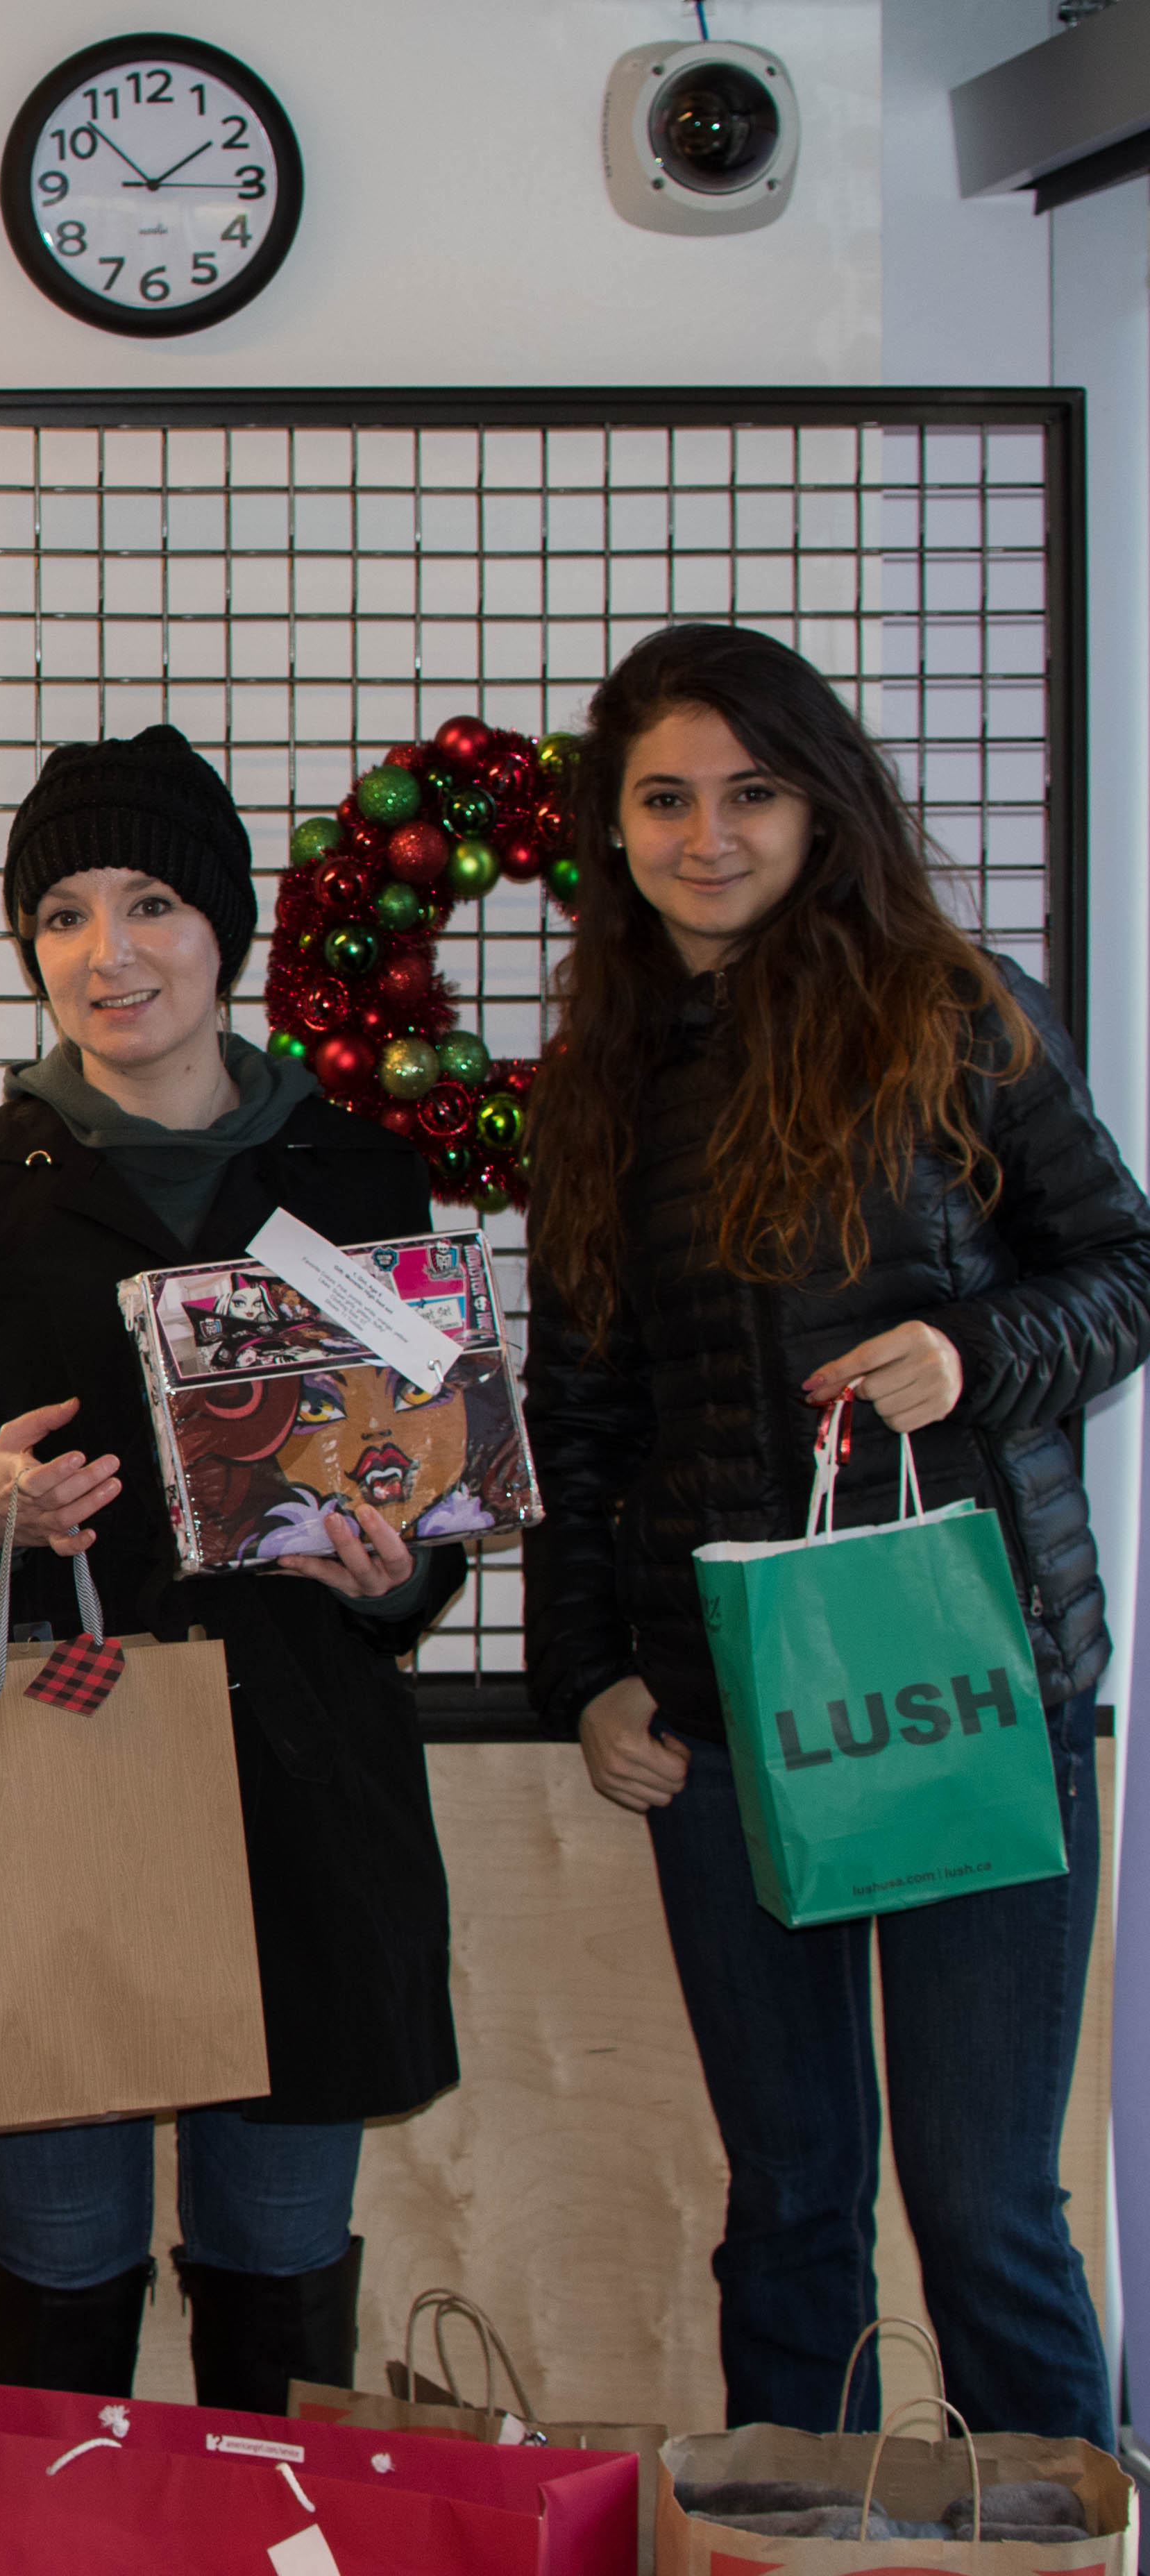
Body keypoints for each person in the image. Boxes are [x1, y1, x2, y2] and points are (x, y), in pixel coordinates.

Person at [525, 622, 1150, 2443]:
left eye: (752, 791)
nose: (708, 835)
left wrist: (973, 1353)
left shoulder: (955, 1009)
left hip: (971, 1683)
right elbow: (584, 1413)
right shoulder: (604, 1077)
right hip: (721, 1719)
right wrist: (588, 1678)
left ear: (821, 804)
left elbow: (1123, 1266)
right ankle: (781, 2558)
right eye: (665, 799)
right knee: (790, 2211)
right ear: (615, 828)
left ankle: (1057, 2554)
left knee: (982, 2215)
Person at [0, 725, 464, 2410]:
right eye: (62, 913)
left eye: (154, 901)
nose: (108, 952)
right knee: (55, 2270)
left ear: (228, 927)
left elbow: (430, 1506)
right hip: (57, 1785)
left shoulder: (351, 1171)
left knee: (277, 2275)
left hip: (304, 1794)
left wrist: (391, 1569)